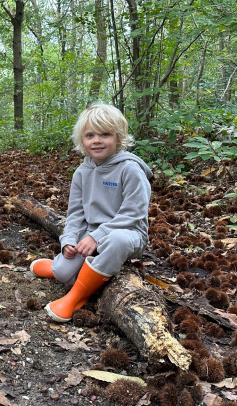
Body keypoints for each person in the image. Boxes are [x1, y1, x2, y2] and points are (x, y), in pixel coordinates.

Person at [30, 103, 152, 323]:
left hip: (127, 232)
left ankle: (75, 298)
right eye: (90, 135)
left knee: (116, 241)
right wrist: (67, 240)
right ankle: (56, 268)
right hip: (90, 231)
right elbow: (75, 213)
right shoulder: (82, 172)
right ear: (82, 140)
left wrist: (97, 236)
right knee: (64, 271)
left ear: (118, 138)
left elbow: (134, 213)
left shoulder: (130, 169)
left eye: (104, 134)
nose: (96, 140)